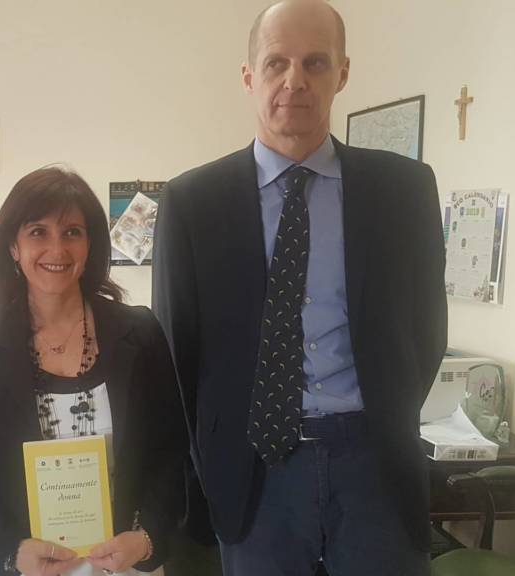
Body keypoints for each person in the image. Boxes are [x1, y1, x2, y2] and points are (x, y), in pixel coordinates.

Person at [151, 1, 447, 575]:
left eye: (315, 62)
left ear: (343, 73)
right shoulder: (192, 202)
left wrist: (385, 414)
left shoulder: (403, 190)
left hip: (374, 466)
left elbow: (427, 330)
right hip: (253, 472)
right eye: (276, 63)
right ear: (248, 77)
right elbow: (177, 354)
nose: (295, 81)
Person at [0, 167, 186, 576]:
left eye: (72, 232)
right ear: (13, 246)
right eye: (38, 232)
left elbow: (171, 452)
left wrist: (146, 538)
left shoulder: (139, 333)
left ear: (91, 245)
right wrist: (11, 550)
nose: (57, 249)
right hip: (18, 566)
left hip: (122, 565)